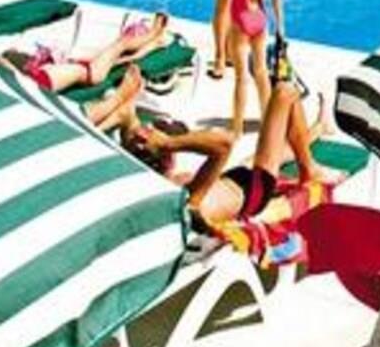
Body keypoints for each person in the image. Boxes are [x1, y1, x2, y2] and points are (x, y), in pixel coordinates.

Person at [122, 81, 338, 235]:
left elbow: (129, 128)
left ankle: (320, 128)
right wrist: (167, 143)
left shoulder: (166, 186)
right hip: (254, 191)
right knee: (285, 91)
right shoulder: (184, 199)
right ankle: (309, 169)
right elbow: (224, 143)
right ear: (165, 159)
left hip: (232, 180)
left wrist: (129, 106)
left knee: (284, 151)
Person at [201, 0, 283, 139]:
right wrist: (280, 27)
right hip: (260, 19)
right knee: (261, 72)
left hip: (241, 20)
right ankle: (268, 121)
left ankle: (236, 128)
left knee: (241, 78)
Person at [0, 12, 170, 97]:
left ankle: (146, 45)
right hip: (43, 78)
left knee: (105, 54)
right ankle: (147, 38)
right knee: (120, 44)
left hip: (43, 74)